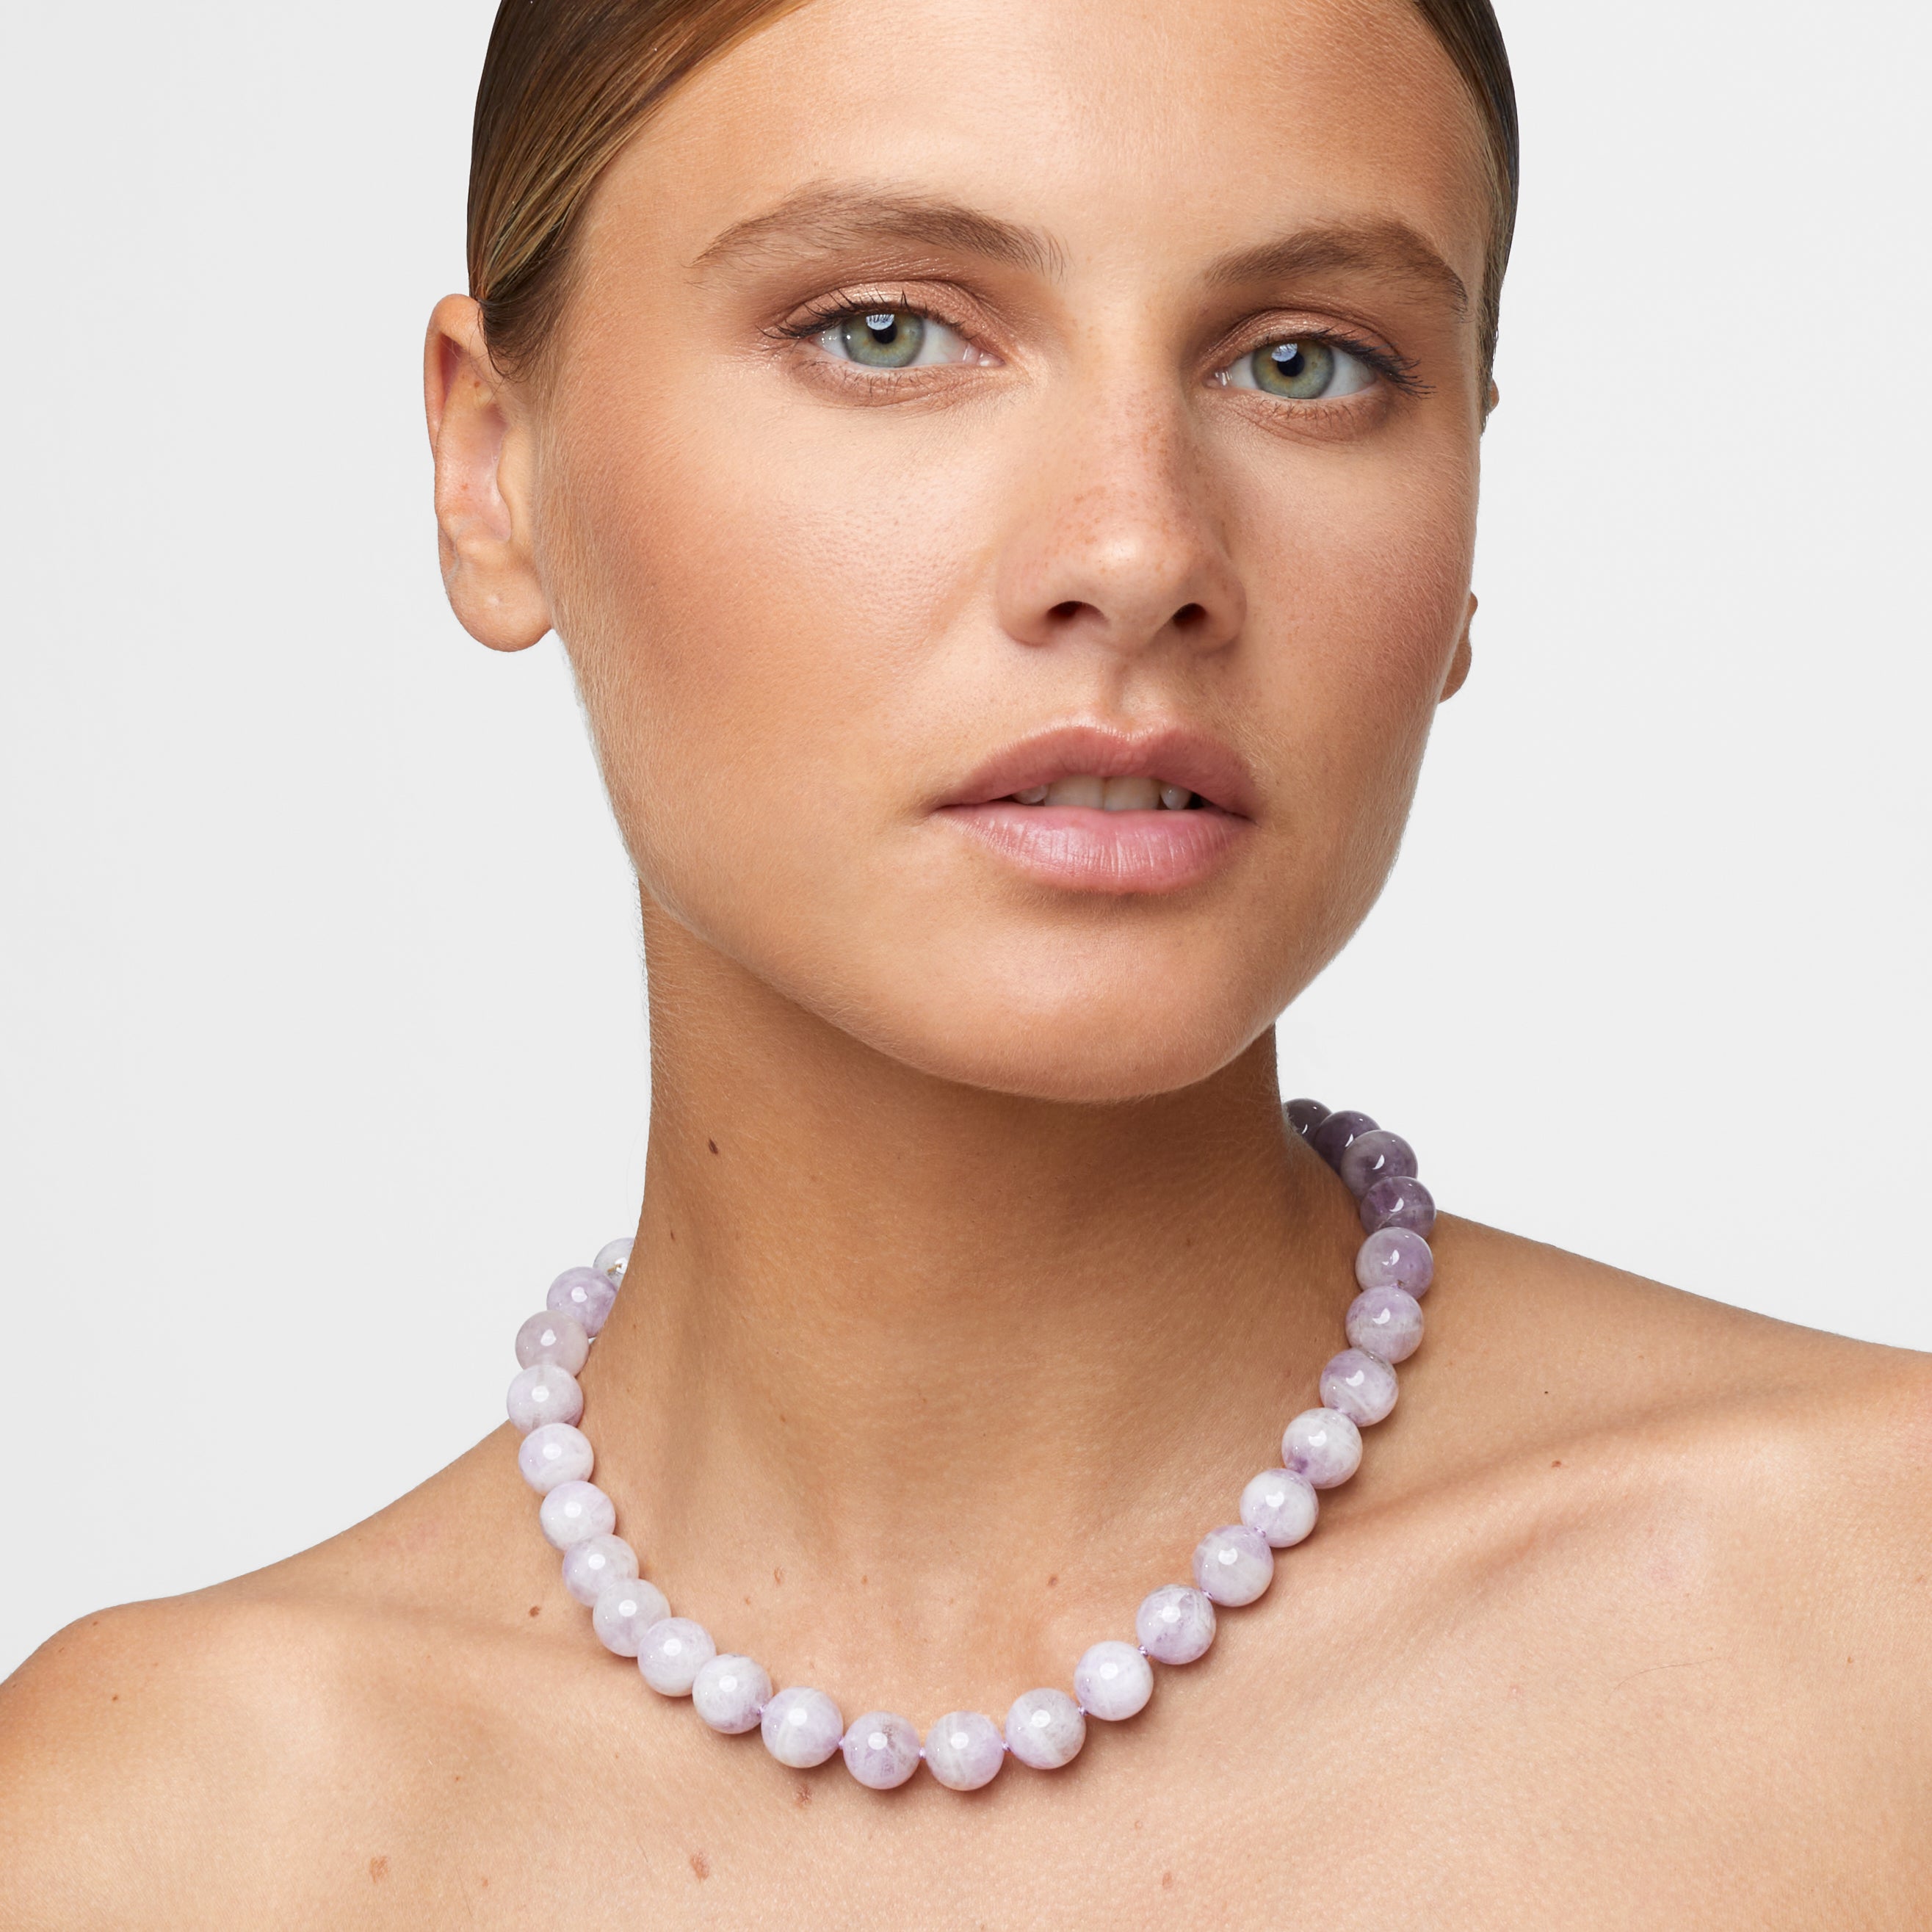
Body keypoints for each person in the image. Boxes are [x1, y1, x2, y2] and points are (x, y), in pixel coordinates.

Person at [3, 0, 1926, 1920]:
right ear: (489, 461)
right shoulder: (144, 1838)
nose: (1138, 548)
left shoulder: (1877, 1623)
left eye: (1307, 362)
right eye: (887, 332)